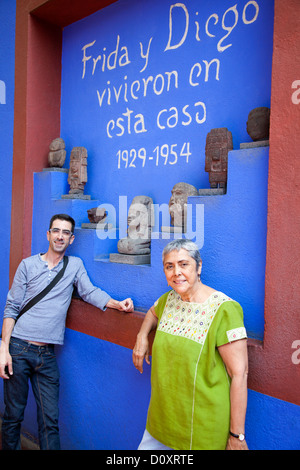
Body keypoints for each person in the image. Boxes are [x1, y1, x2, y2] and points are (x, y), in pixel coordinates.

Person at [0, 213, 133, 450]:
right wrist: (4, 349)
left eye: (66, 233)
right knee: (13, 417)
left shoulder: (74, 266)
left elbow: (89, 292)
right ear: (48, 234)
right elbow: (11, 307)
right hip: (18, 348)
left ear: (71, 239)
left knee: (50, 422)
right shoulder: (28, 265)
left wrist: (116, 304)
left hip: (46, 356)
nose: (60, 236)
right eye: (56, 231)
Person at [132, 239, 248, 450]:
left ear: (199, 266)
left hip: (202, 427)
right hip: (162, 419)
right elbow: (152, 313)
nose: (176, 272)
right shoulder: (168, 300)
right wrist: (142, 335)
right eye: (169, 266)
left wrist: (236, 435)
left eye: (184, 264)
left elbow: (239, 374)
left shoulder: (224, 309)